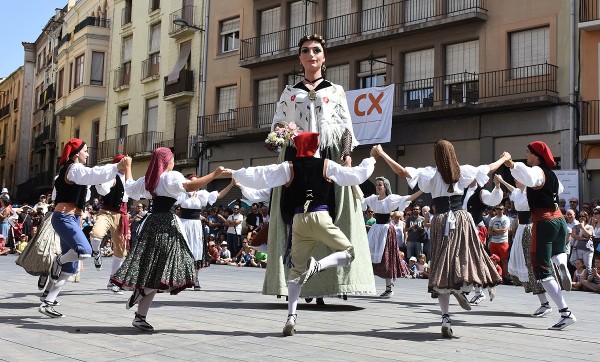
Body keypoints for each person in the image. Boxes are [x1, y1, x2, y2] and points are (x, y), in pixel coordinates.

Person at [231, 131, 378, 336]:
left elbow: (261, 174)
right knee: (349, 252)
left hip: (299, 221)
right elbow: (357, 176)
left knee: (296, 273)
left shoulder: (288, 167)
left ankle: (291, 317)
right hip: (320, 217)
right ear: (316, 146)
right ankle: (318, 266)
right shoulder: (326, 165)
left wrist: (234, 173)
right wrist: (371, 158)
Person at [263, 34, 376, 300]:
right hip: (296, 154)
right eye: (305, 51)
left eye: (316, 50)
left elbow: (346, 125)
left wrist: (347, 154)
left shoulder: (335, 90)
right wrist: (284, 133)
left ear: (324, 57)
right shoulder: (290, 92)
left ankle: (329, 284)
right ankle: (294, 282)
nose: (311, 54)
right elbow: (278, 124)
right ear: (299, 58)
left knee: (334, 212)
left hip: (329, 152)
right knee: (293, 212)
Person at [374, 141, 508, 338]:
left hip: (441, 220)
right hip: (462, 219)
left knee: (441, 265)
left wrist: (383, 154)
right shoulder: (463, 171)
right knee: (468, 256)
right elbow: (488, 168)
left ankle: (446, 317)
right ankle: (473, 286)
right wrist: (504, 159)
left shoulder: (431, 173)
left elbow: (402, 172)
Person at [110, 147, 224, 332]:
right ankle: (142, 293)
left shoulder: (149, 179)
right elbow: (190, 186)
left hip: (151, 222)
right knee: (175, 264)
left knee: (156, 269)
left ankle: (140, 315)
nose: (173, 162)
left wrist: (129, 167)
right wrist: (214, 174)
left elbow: (130, 189)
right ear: (167, 161)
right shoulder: (170, 177)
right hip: (166, 224)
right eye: (172, 159)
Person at [41, 138, 128, 318]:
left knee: (71, 267)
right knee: (85, 250)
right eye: (85, 151)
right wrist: (115, 167)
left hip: (72, 218)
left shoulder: (74, 172)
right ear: (76, 153)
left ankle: (48, 302)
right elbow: (92, 174)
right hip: (64, 217)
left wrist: (111, 174)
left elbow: (93, 181)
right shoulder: (73, 168)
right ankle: (58, 261)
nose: (87, 154)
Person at [503, 141, 576, 330]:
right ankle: (561, 263)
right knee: (557, 253)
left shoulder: (536, 171)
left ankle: (565, 313)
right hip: (559, 219)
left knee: (542, 271)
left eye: (528, 152)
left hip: (543, 222)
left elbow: (529, 176)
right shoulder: (551, 174)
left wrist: (511, 164)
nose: (526, 155)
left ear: (536, 155)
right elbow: (559, 190)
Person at [495, 175, 551, 317]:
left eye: (518, 178)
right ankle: (544, 302)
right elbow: (514, 190)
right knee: (526, 263)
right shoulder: (519, 193)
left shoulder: (529, 193)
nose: (515, 180)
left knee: (531, 263)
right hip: (522, 229)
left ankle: (545, 303)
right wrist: (502, 181)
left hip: (529, 228)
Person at [362, 176, 422, 298]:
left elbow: (408, 198)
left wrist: (422, 189)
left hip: (386, 230)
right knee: (369, 256)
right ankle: (367, 284)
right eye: (377, 185)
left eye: (380, 185)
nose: (378, 187)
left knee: (386, 258)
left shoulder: (390, 199)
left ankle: (389, 288)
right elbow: (360, 200)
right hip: (376, 229)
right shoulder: (373, 199)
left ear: (385, 187)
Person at [179, 175, 233, 290]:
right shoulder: (182, 194)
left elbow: (218, 195)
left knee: (196, 251)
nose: (195, 184)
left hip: (196, 225)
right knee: (182, 250)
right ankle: (181, 278)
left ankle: (195, 278)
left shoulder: (201, 194)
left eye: (197, 182)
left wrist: (231, 184)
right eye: (192, 182)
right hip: (183, 224)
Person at [89, 154, 131, 295]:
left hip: (122, 216)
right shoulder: (111, 177)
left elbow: (135, 192)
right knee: (95, 235)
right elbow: (103, 191)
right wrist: (100, 181)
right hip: (107, 212)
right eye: (125, 163)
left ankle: (113, 280)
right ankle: (96, 253)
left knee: (121, 251)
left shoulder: (129, 178)